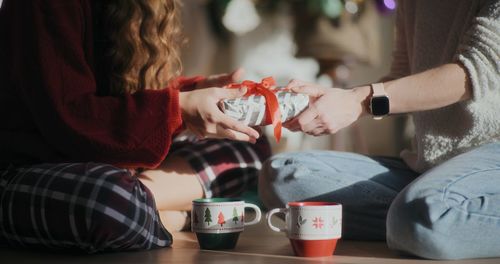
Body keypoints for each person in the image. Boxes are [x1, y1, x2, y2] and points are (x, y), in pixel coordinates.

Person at [0, 0, 270, 253]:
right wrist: (180, 108)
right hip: (31, 170)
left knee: (249, 140)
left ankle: (148, 207)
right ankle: (174, 215)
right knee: (112, 203)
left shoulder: (139, 8)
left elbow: (122, 97)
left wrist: (195, 91)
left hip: (118, 169)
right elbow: (69, 118)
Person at [259, 0, 500, 260]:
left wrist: (358, 100)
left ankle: (421, 216)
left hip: (492, 156)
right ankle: (419, 216)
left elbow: (474, 71)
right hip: (428, 166)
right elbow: (399, 79)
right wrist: (333, 98)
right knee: (283, 175)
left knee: (422, 218)